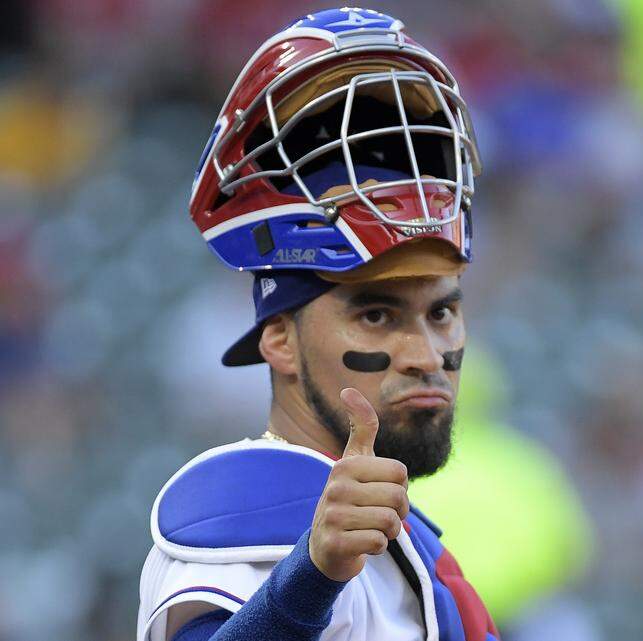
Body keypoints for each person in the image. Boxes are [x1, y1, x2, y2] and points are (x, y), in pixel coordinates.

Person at [135, 7, 497, 641]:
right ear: (280, 339)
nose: (426, 354)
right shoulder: (243, 517)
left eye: (441, 311)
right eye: (377, 314)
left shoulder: (399, 535)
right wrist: (310, 578)